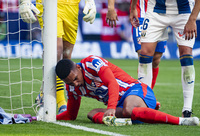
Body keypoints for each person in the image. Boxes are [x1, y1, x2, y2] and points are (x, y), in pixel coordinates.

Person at [55, 55, 199, 126]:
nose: (75, 83)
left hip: (136, 89)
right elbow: (71, 115)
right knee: (92, 114)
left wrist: (111, 108)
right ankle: (136, 116)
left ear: (78, 68)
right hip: (120, 104)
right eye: (70, 82)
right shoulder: (72, 88)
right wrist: (50, 118)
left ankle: (182, 121)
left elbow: (112, 83)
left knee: (129, 109)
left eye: (75, 78)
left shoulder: (92, 63)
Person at [19, 0, 96, 114]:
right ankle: (60, 102)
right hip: (48, 0)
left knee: (66, 57)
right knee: (56, 51)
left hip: (71, 3)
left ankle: (45, 91)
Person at [130, 0, 200, 117]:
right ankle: (145, 103)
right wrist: (133, 7)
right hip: (156, 10)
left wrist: (192, 19)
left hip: (184, 11)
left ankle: (187, 109)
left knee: (186, 54)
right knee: (145, 53)